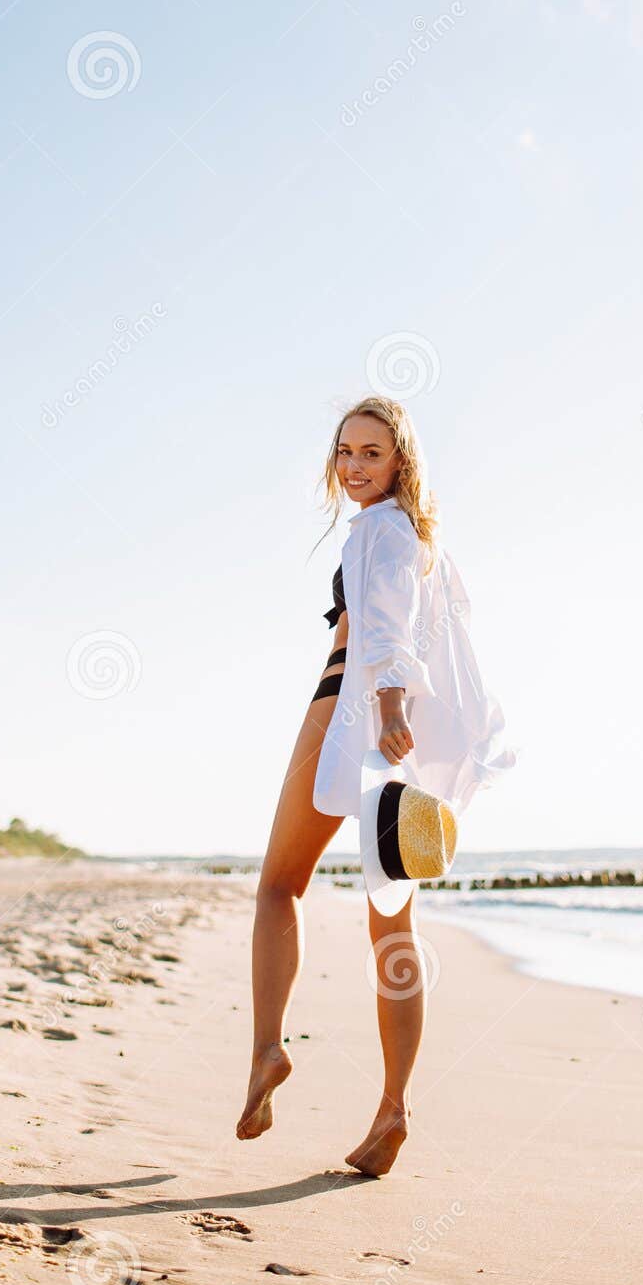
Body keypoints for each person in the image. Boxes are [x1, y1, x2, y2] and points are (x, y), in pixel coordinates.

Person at [235, 393, 511, 1176]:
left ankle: (265, 1051)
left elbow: (385, 628)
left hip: (345, 711)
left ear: (400, 463)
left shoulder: (377, 532)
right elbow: (451, 644)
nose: (353, 467)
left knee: (277, 887)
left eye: (371, 453)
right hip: (397, 734)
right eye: (344, 452)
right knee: (392, 924)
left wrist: (386, 700)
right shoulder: (427, 542)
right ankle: (392, 1110)